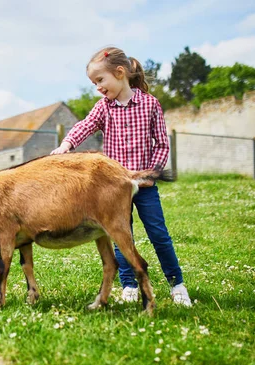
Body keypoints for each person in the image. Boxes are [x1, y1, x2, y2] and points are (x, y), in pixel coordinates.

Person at [51, 46, 192, 307]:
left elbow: (161, 144)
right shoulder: (104, 107)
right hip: (114, 188)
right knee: (120, 235)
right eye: (94, 83)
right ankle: (128, 285)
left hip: (144, 185)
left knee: (159, 234)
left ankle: (177, 285)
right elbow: (84, 126)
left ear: (119, 73)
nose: (98, 88)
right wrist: (67, 145)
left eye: (100, 81)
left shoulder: (150, 104)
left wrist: (151, 174)